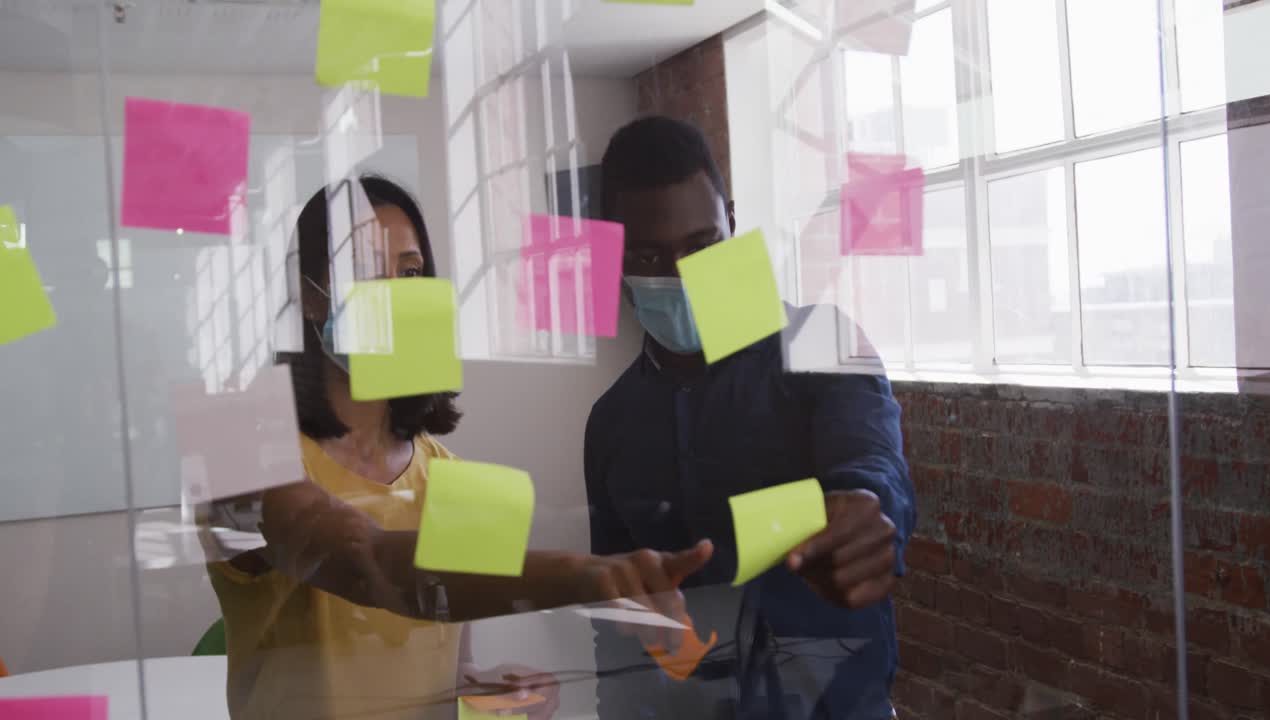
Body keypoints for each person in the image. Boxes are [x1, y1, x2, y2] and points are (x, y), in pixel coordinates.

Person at [203, 174, 713, 719]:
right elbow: (367, 566)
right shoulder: (232, 443)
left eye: (411, 271)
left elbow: (449, 661)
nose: (395, 292)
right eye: (365, 269)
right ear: (308, 294)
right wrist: (586, 576)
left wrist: (483, 688)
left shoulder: (452, 475)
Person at [584, 118, 916, 719]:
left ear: (732, 227)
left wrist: (867, 505)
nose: (680, 274)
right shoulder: (611, 424)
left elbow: (872, 466)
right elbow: (619, 614)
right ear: (616, 260)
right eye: (649, 256)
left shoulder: (821, 341)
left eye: (701, 245)